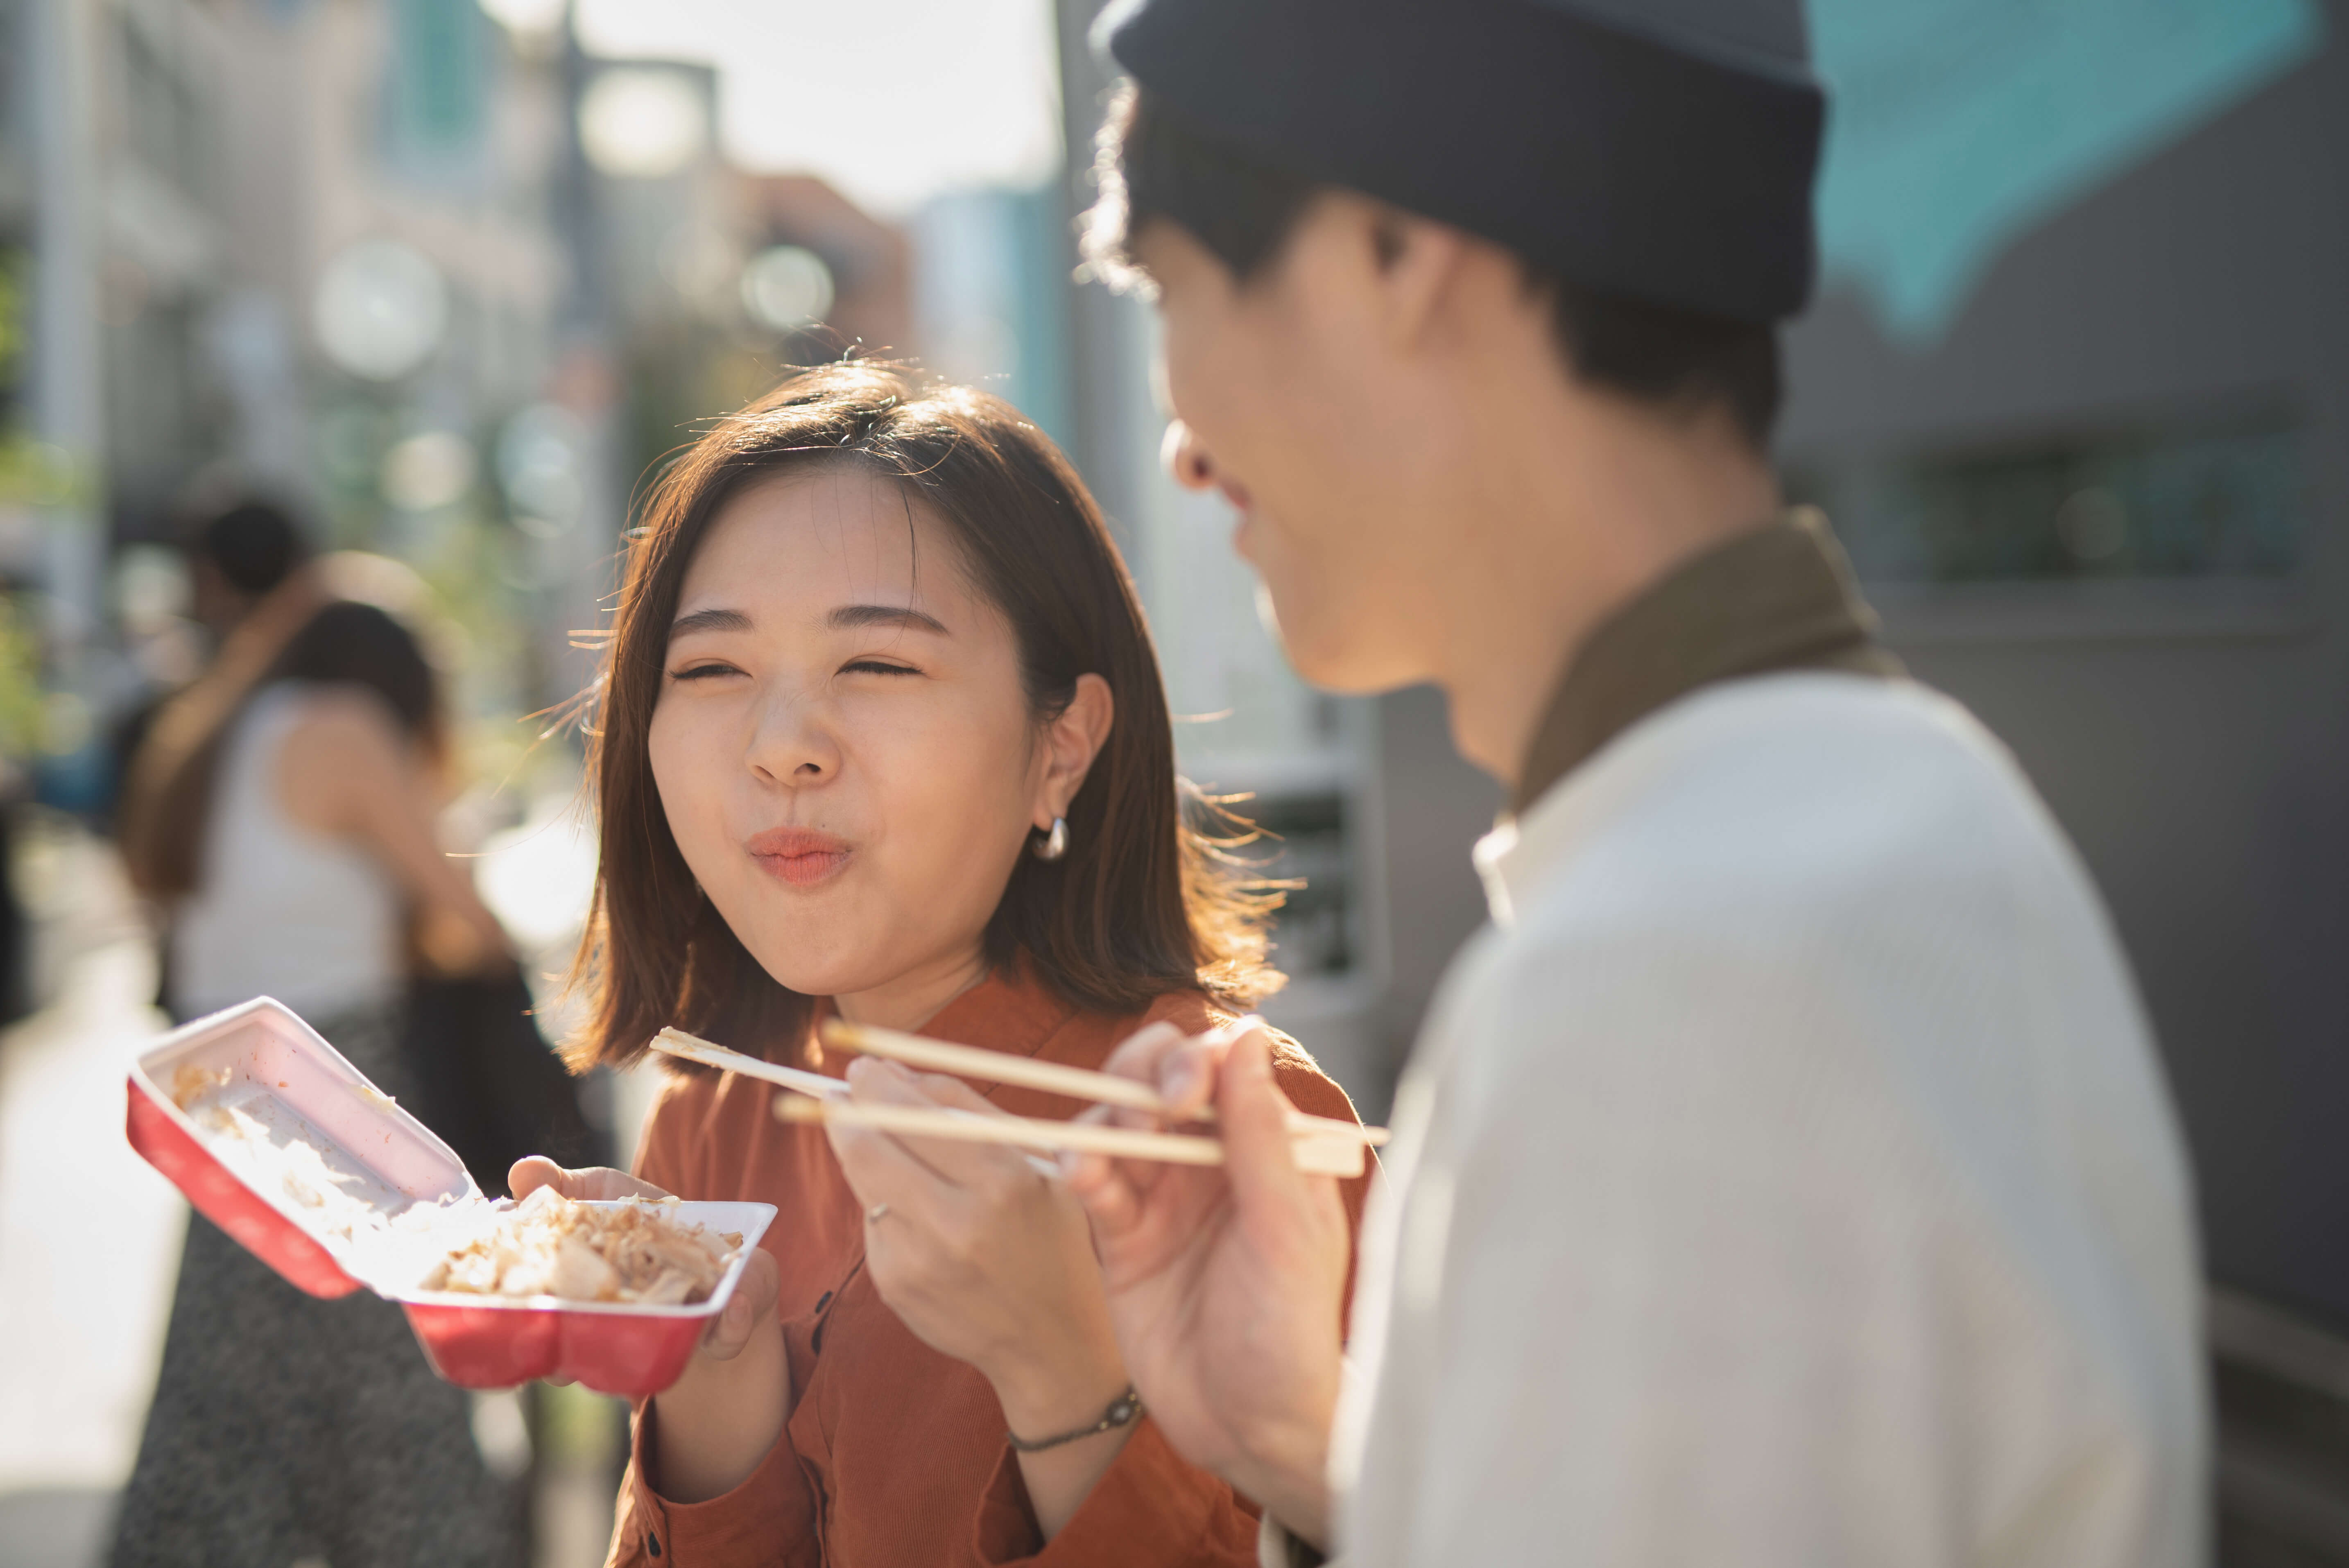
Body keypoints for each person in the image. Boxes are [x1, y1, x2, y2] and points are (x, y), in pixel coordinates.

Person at [1057, 3, 2207, 1566]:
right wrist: (1304, 1450)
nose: (1184, 449)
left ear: (1396, 248)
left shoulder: (1666, 977)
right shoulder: (1910, 806)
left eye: (1172, 288)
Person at [514, 362, 1370, 1567]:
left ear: (1061, 748)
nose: (781, 750)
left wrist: (1063, 1380)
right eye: (711, 670)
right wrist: (716, 1393)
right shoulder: (714, 1117)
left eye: (877, 665)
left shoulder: (1237, 1132)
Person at [112, 591, 519, 1567]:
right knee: (394, 1409)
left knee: (228, 1412)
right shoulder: (343, 729)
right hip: (335, 1084)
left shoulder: (219, 732)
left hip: (225, 1102)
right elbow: (466, 921)